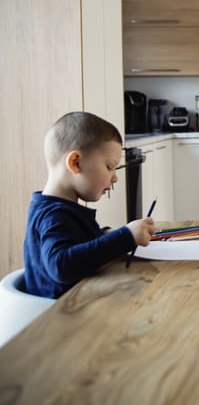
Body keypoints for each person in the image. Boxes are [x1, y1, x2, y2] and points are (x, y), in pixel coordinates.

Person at [24, 112, 156, 299]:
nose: (115, 177)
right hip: (62, 317)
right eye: (110, 167)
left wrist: (102, 235)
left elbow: (72, 242)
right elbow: (61, 266)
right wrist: (125, 237)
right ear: (75, 163)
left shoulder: (57, 208)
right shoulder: (53, 215)